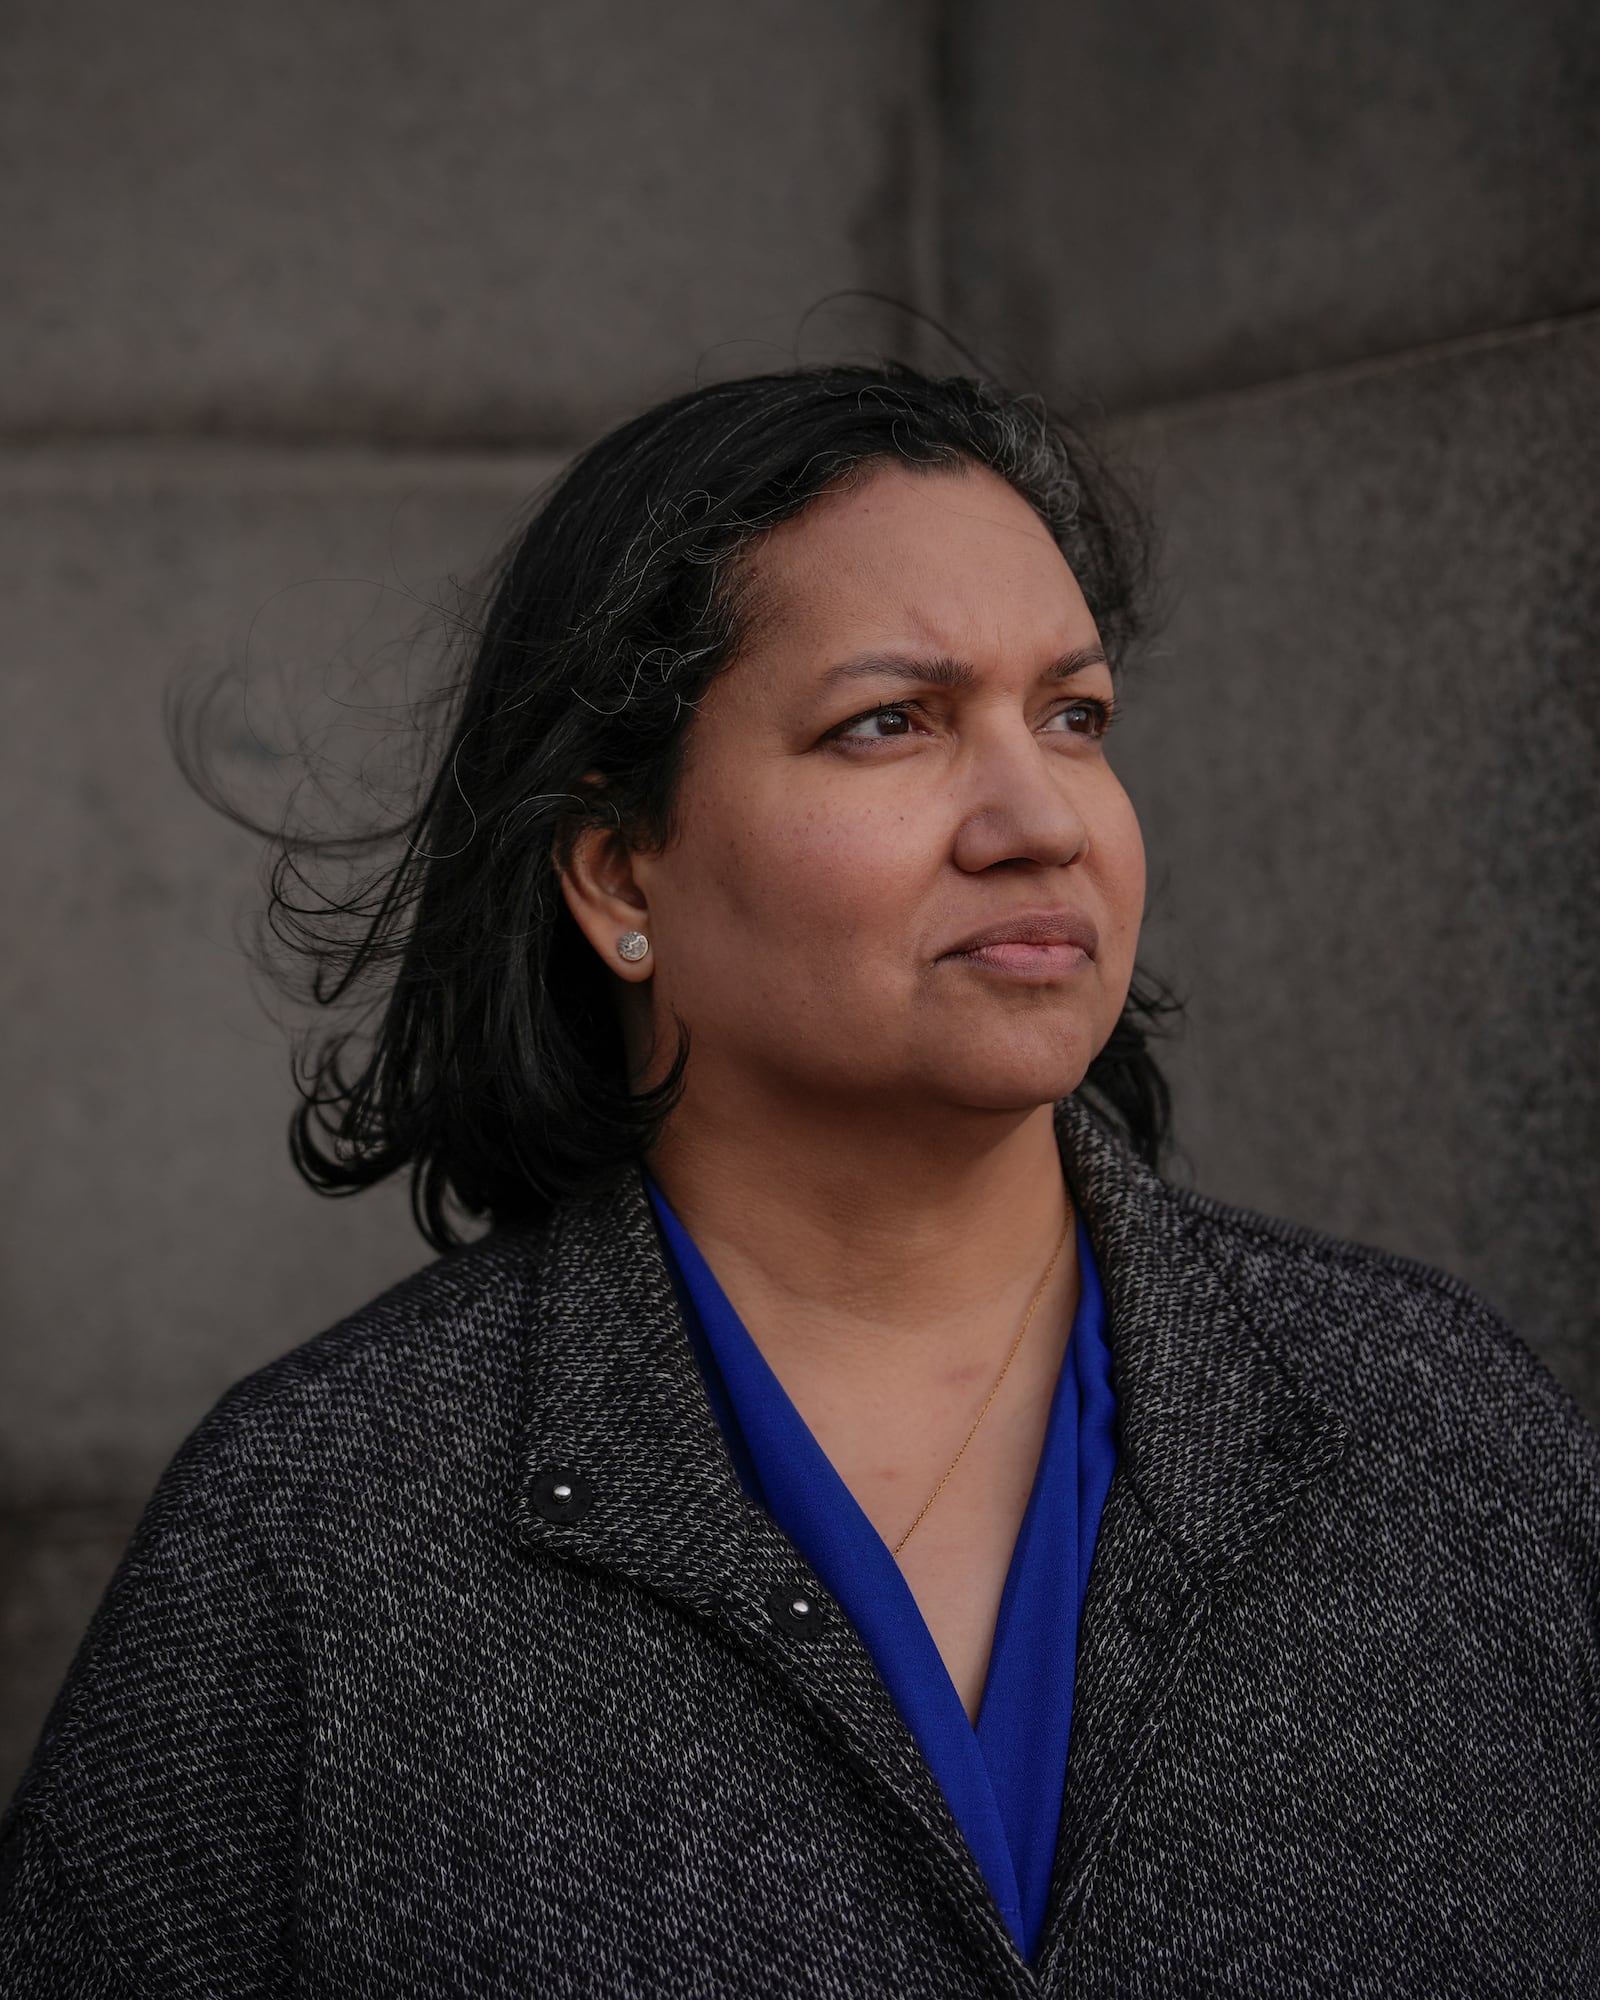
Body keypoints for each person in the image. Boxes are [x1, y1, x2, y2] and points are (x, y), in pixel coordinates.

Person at [1, 359, 1595, 1999]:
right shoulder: (320, 1537)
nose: (1039, 816)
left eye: (1075, 716)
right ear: (622, 870)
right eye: (888, 722)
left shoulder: (1436, 1425)